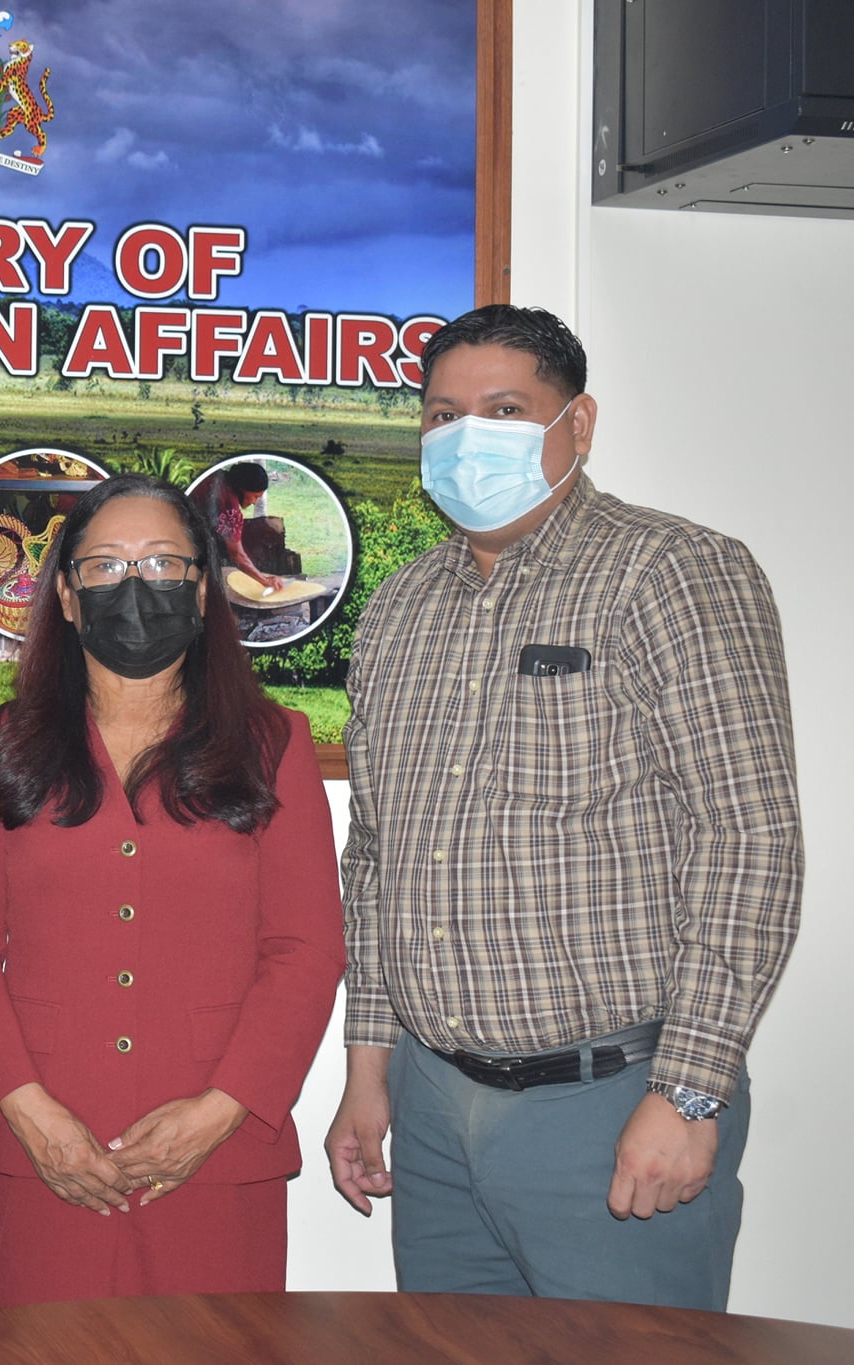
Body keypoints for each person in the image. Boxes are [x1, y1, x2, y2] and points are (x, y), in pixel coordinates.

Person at [323, 305, 803, 1311]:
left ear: (575, 427)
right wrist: (366, 1074)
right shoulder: (398, 610)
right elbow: (371, 860)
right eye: (441, 415)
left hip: (610, 1100)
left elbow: (747, 840)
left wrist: (686, 1094)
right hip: (432, 1101)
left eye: (503, 410)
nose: (466, 438)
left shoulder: (671, 572)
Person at [0, 472, 344, 1307]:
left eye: (161, 564)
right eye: (106, 566)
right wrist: (30, 1113)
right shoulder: (0, 742)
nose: (134, 585)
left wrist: (221, 1111)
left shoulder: (272, 743)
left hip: (218, 1154)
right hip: (45, 1153)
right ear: (70, 597)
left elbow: (304, 949)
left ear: (201, 588)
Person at [204, 460, 285, 593]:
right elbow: (237, 555)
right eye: (254, 496)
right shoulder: (229, 506)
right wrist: (265, 581)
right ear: (242, 489)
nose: (254, 502)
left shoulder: (215, 476)